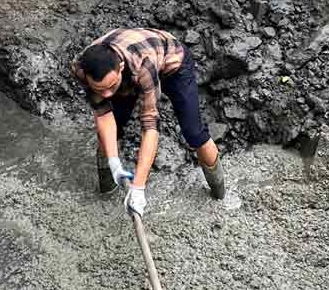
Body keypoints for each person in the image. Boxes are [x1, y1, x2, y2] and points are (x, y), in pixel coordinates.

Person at [71, 28, 225, 216]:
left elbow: (150, 127)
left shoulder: (142, 65)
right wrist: (114, 162)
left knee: (193, 133)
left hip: (172, 66)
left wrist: (138, 187)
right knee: (111, 130)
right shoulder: (81, 68)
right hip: (128, 76)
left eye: (110, 87)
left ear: (120, 67)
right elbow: (103, 114)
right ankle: (106, 191)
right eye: (100, 89)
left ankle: (219, 194)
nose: (107, 95)